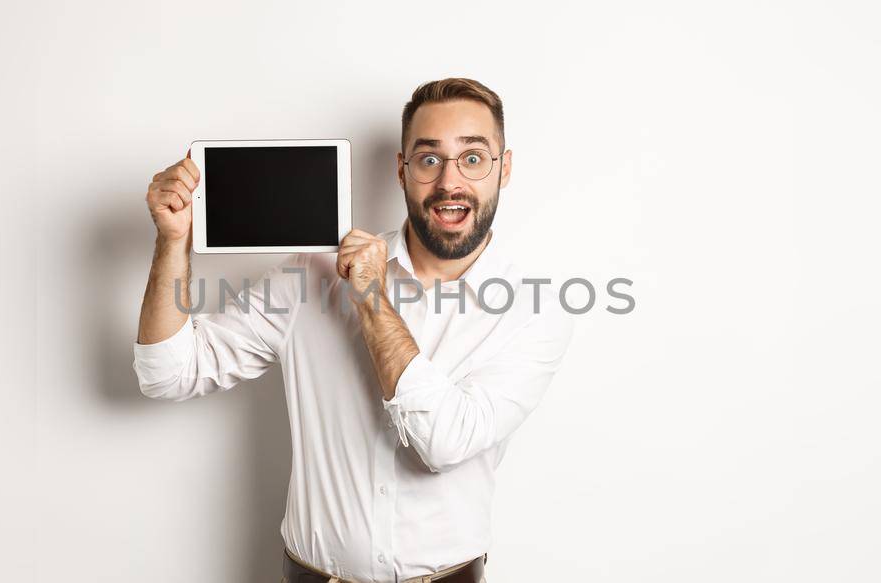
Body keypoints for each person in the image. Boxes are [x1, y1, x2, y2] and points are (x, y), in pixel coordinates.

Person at [134, 78, 574, 583]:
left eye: (473, 159)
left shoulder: (534, 310)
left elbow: (443, 441)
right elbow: (166, 374)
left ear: (505, 168)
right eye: (429, 159)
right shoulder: (308, 277)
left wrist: (369, 299)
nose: (450, 182)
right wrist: (172, 242)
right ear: (402, 170)